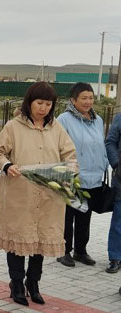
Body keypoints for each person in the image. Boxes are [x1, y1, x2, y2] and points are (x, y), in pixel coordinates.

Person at [0, 82, 76, 305]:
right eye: (39, 103)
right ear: (29, 102)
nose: (43, 108)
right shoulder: (13, 127)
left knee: (39, 240)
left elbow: (69, 155)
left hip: (48, 196)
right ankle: (16, 282)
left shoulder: (56, 128)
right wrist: (7, 165)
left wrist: (70, 168)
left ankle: (33, 282)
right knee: (18, 240)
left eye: (48, 104)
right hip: (20, 194)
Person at [56, 82, 107, 268]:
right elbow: (58, 147)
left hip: (93, 177)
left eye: (91, 98)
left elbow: (100, 145)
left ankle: (80, 250)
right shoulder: (64, 119)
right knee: (68, 216)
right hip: (73, 177)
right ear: (73, 100)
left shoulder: (98, 120)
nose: (88, 102)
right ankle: (63, 250)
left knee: (85, 216)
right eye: (84, 98)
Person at [105, 113, 121, 274]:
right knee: (119, 221)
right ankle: (115, 257)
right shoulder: (120, 118)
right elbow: (110, 142)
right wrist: (117, 164)